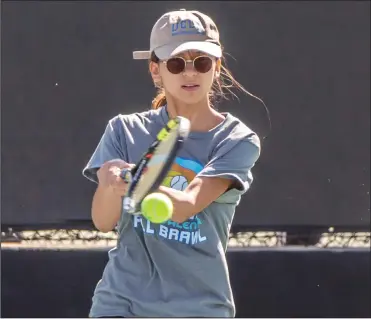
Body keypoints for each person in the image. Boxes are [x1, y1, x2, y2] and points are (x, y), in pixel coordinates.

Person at [83, 8, 261, 318]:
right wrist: (113, 182)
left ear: (216, 68)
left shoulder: (238, 139)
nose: (190, 73)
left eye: (202, 63)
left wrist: (142, 182)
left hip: (199, 308)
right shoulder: (123, 129)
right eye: (176, 64)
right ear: (156, 70)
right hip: (120, 304)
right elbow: (102, 221)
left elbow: (187, 205)